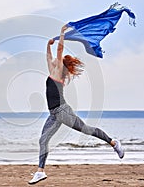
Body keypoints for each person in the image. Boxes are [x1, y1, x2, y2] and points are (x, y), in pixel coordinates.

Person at [28, 25, 124, 185]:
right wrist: (48, 45)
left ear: (62, 64)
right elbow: (48, 56)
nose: (53, 60)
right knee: (43, 140)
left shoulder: (58, 70)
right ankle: (40, 172)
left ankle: (113, 143)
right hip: (54, 114)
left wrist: (61, 34)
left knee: (86, 129)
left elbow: (59, 51)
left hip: (62, 111)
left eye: (58, 59)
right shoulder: (52, 70)